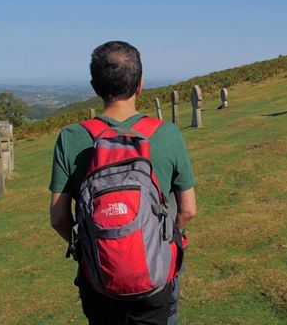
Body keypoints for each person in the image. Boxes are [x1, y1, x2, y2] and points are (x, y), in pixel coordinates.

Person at [49, 41, 197, 325]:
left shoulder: (70, 137)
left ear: (95, 87)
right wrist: (165, 239)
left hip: (99, 276)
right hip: (156, 277)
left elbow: (58, 217)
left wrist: (88, 246)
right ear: (140, 84)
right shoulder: (167, 134)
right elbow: (188, 209)